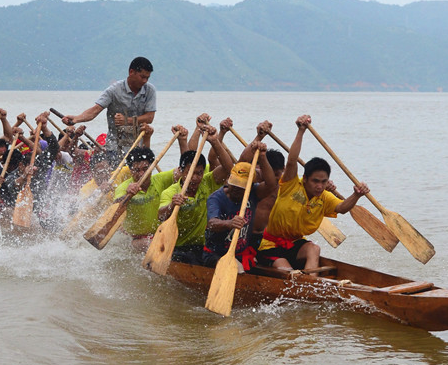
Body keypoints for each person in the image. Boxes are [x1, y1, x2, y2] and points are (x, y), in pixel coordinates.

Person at [256, 115, 370, 271]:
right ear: (305, 179)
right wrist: (301, 131)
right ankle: (304, 283)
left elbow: (342, 208)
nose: (320, 186)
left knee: (314, 249)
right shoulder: (291, 185)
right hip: (270, 245)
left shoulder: (324, 197)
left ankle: (311, 284)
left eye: (324, 182)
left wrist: (356, 195)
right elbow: (291, 161)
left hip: (295, 243)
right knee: (288, 272)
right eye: (315, 181)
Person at [158, 126, 234, 264]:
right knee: (190, 259)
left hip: (204, 245)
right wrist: (172, 205)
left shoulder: (207, 182)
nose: (195, 178)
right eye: (191, 172)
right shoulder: (170, 192)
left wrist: (215, 141)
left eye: (199, 173)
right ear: (181, 171)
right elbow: (161, 216)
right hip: (179, 247)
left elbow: (230, 169)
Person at [203, 140, 277, 272]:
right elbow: (212, 223)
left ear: (248, 185)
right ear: (228, 180)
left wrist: (263, 157)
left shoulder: (253, 192)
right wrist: (229, 223)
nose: (237, 188)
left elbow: (271, 185)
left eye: (242, 185)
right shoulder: (216, 198)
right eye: (234, 183)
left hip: (241, 253)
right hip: (215, 253)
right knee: (237, 270)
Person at [61, 57, 156, 158]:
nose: (145, 81)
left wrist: (127, 120)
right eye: (142, 77)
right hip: (115, 146)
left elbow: (150, 117)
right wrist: (76, 118)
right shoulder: (114, 90)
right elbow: (95, 110)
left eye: (147, 78)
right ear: (131, 72)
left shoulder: (150, 90)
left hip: (138, 145)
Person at [112, 126, 187, 252]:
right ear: (130, 170)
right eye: (137, 170)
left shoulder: (159, 180)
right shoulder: (124, 187)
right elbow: (113, 212)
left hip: (155, 235)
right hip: (133, 239)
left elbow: (185, 170)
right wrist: (126, 195)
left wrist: (182, 141)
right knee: (153, 243)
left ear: (152, 167)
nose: (142, 174)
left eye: (145, 169)